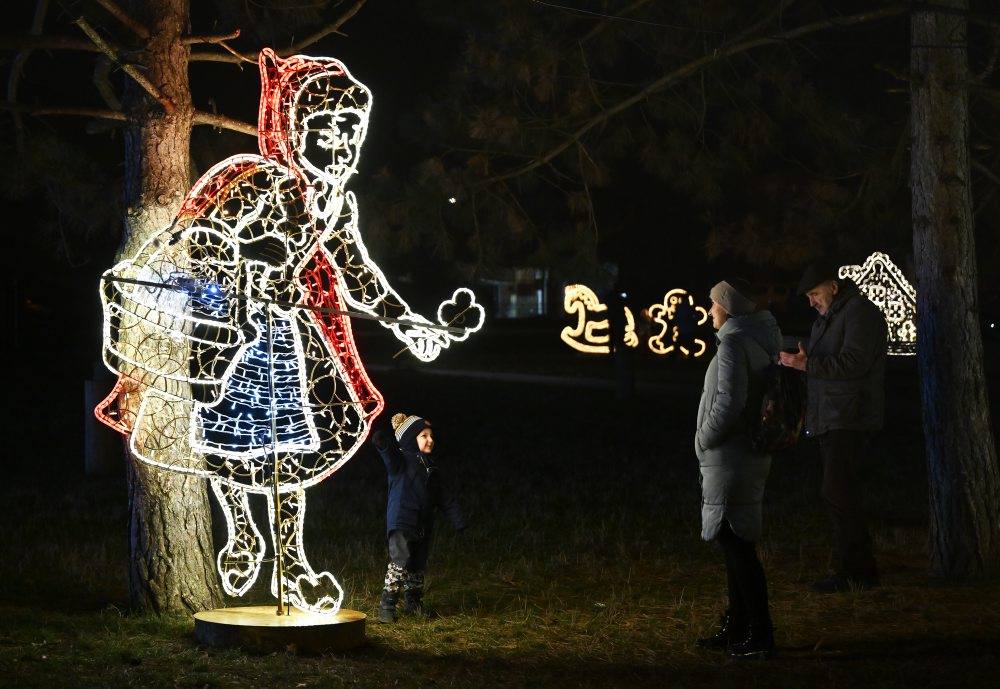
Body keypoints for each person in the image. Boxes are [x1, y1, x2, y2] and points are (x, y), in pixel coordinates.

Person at [779, 262, 887, 593]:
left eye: (814, 294)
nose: (811, 302)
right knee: (838, 492)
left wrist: (808, 364)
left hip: (849, 417)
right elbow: (826, 361)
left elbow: (854, 363)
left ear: (833, 287)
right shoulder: (828, 319)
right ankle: (854, 568)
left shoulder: (859, 314)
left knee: (838, 491)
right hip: (831, 416)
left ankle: (856, 570)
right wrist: (800, 361)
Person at [695, 279, 783, 660]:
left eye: (713, 304)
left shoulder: (732, 344)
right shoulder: (755, 341)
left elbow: (729, 403)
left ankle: (759, 635)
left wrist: (704, 437)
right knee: (735, 544)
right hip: (743, 456)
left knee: (737, 547)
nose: (709, 311)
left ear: (727, 308)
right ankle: (739, 628)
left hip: (731, 458)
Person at [371, 412, 467, 622]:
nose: (430, 440)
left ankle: (413, 602)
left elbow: (445, 497)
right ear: (410, 440)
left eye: (431, 436)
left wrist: (458, 520)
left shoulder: (432, 468)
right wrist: (383, 444)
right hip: (403, 521)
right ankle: (387, 604)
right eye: (423, 436)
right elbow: (390, 456)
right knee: (400, 561)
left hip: (423, 524)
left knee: (417, 563)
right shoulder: (401, 463)